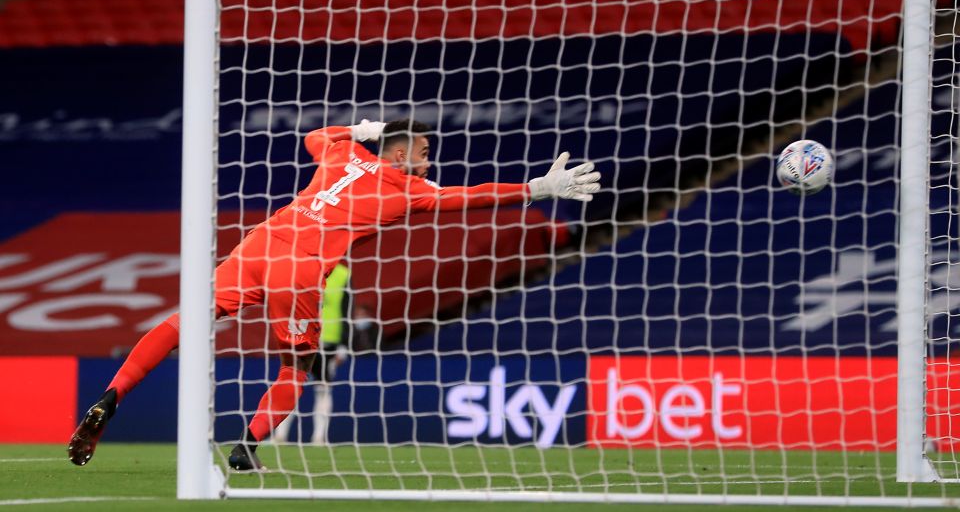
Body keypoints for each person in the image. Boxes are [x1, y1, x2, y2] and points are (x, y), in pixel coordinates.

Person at [67, 119, 600, 471]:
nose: (430, 161)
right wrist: (534, 189)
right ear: (399, 152)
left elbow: (317, 137)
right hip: (299, 272)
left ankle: (110, 398)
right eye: (424, 150)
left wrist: (358, 128)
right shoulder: (408, 189)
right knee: (297, 368)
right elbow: (471, 198)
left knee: (182, 323)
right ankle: (246, 447)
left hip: (258, 245)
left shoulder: (340, 153)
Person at [272, 262, 350, 445]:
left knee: (323, 388)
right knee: (291, 386)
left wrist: (344, 345)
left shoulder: (343, 274)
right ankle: (280, 436)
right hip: (302, 337)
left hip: (329, 339)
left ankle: (318, 437)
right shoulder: (300, 270)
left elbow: (347, 310)